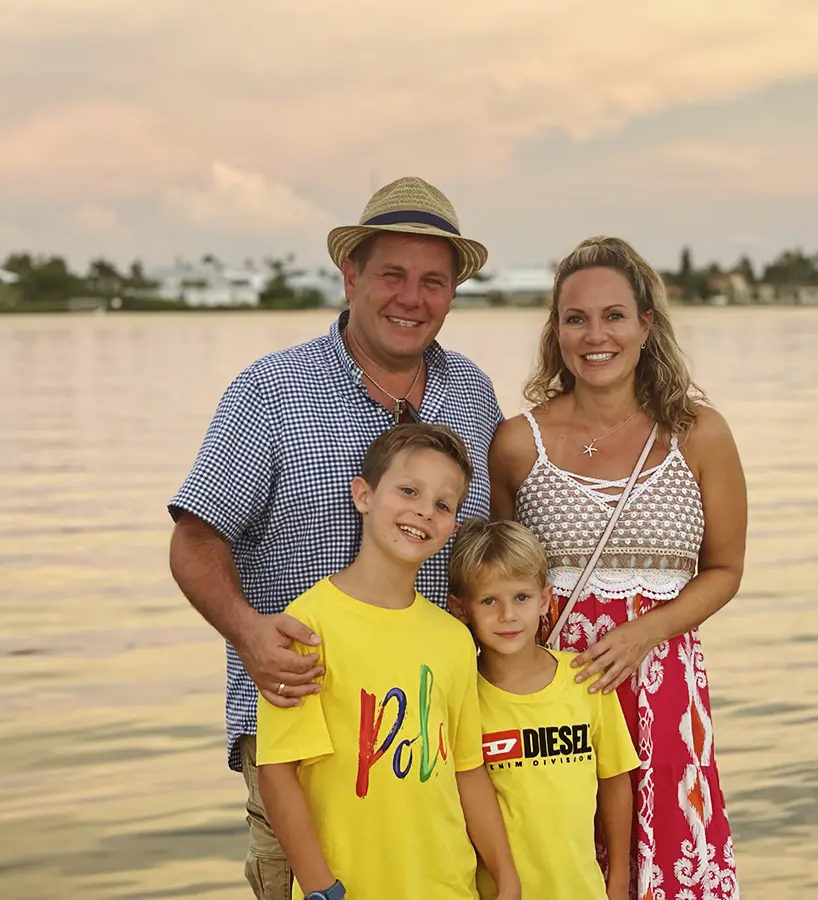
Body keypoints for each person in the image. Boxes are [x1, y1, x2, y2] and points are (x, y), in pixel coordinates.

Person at [167, 176, 504, 899]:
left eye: (433, 281)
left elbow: (488, 549)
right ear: (350, 274)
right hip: (301, 740)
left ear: (452, 294)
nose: (411, 298)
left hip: (426, 739)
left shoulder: (473, 395)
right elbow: (195, 538)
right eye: (392, 274)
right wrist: (249, 633)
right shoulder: (271, 391)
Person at [488, 236, 747, 900]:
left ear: (645, 325)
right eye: (575, 318)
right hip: (555, 700)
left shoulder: (700, 433)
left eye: (613, 316)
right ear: (556, 330)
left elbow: (723, 569)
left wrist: (643, 633)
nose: (594, 334)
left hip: (663, 696)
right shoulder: (519, 444)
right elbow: (496, 583)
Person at [256, 423, 519, 900]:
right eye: (409, 490)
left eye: (443, 504)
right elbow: (278, 774)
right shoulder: (306, 627)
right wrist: (322, 890)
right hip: (347, 889)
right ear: (364, 495)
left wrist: (506, 877)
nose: (424, 510)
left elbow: (467, 768)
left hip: (447, 886)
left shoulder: (453, 639)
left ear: (452, 527)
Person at [447, 518, 640, 900]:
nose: (507, 615)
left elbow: (615, 780)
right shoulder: (463, 695)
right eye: (489, 601)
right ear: (460, 609)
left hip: (582, 889)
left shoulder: (585, 679)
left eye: (521, 597)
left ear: (545, 600)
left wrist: (618, 879)